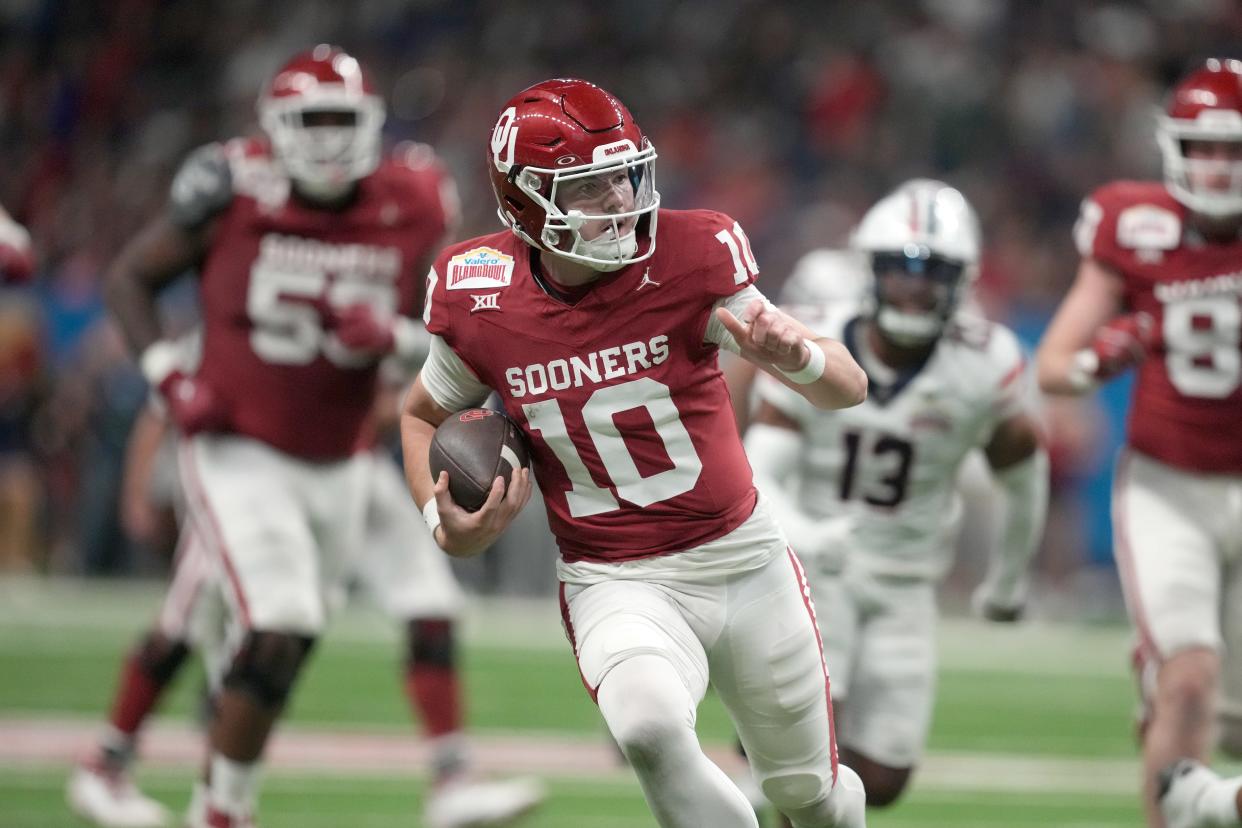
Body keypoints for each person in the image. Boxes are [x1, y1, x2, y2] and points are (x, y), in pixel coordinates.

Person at [400, 77, 869, 828]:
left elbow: (849, 388)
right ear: (524, 201)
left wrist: (798, 356)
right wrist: (440, 517)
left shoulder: (692, 254)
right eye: (588, 187)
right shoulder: (477, 290)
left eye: (622, 175)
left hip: (743, 561)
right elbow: (422, 413)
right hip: (614, 577)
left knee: (809, 799)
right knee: (647, 728)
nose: (619, 200)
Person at [92, 45, 458, 828]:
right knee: (269, 619)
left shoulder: (415, 197)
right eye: (311, 121)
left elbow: (459, 332)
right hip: (235, 443)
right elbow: (130, 276)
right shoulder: (230, 186)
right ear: (274, 128)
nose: (328, 139)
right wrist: (167, 377)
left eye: (342, 120)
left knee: (288, 640)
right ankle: (199, 802)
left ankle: (218, 805)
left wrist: (392, 337)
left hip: (338, 455)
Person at [68, 383, 545, 828]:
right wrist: (138, 487)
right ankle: (108, 762)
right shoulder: (248, 302)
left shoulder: (411, 300)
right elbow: (166, 396)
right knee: (188, 617)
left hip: (349, 463)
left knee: (431, 600)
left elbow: (396, 396)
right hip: (251, 468)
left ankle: (452, 776)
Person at [743, 180, 1047, 815]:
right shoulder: (813, 341)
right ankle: (777, 771)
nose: (915, 285)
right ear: (869, 272)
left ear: (961, 281)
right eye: (900, 268)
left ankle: (768, 764)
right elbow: (757, 468)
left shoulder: (986, 363)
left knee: (882, 778)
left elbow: (1024, 476)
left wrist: (1009, 581)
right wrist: (803, 530)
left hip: (908, 581)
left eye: (934, 271)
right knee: (812, 752)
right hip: (813, 567)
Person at [1035, 58, 1242, 828]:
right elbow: (1055, 368)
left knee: (1228, 719)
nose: (1219, 168)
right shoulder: (1135, 223)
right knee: (1190, 682)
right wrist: (1102, 356)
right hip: (1169, 487)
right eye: (1205, 148)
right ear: (1175, 148)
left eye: (1235, 150)